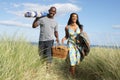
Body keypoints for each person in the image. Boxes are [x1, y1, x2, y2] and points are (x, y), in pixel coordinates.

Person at [61, 13, 83, 78]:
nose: (74, 18)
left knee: (76, 60)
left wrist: (80, 41)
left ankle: (70, 74)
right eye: (73, 16)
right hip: (70, 44)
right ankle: (72, 77)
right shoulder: (67, 27)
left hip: (78, 46)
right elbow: (67, 36)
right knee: (72, 60)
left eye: (76, 17)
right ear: (70, 17)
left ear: (77, 18)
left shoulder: (80, 27)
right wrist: (63, 39)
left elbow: (81, 36)